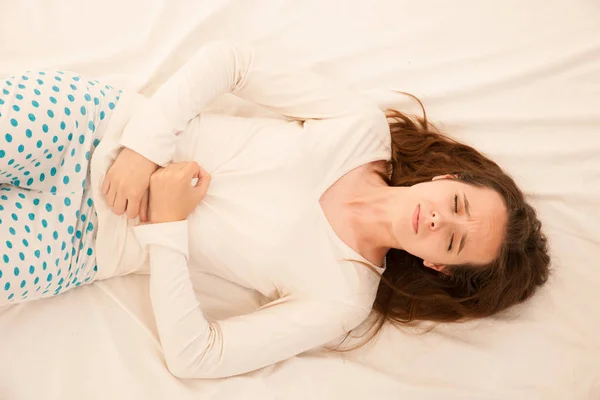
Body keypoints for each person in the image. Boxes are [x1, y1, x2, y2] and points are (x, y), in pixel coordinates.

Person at [0, 41, 550, 378]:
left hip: (82, 242)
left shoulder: (343, 298)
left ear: (438, 266)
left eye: (452, 240)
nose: (438, 220)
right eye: (456, 204)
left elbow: (199, 358)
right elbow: (232, 62)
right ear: (446, 177)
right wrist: (146, 146)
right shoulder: (361, 130)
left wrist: (167, 227)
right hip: (94, 128)